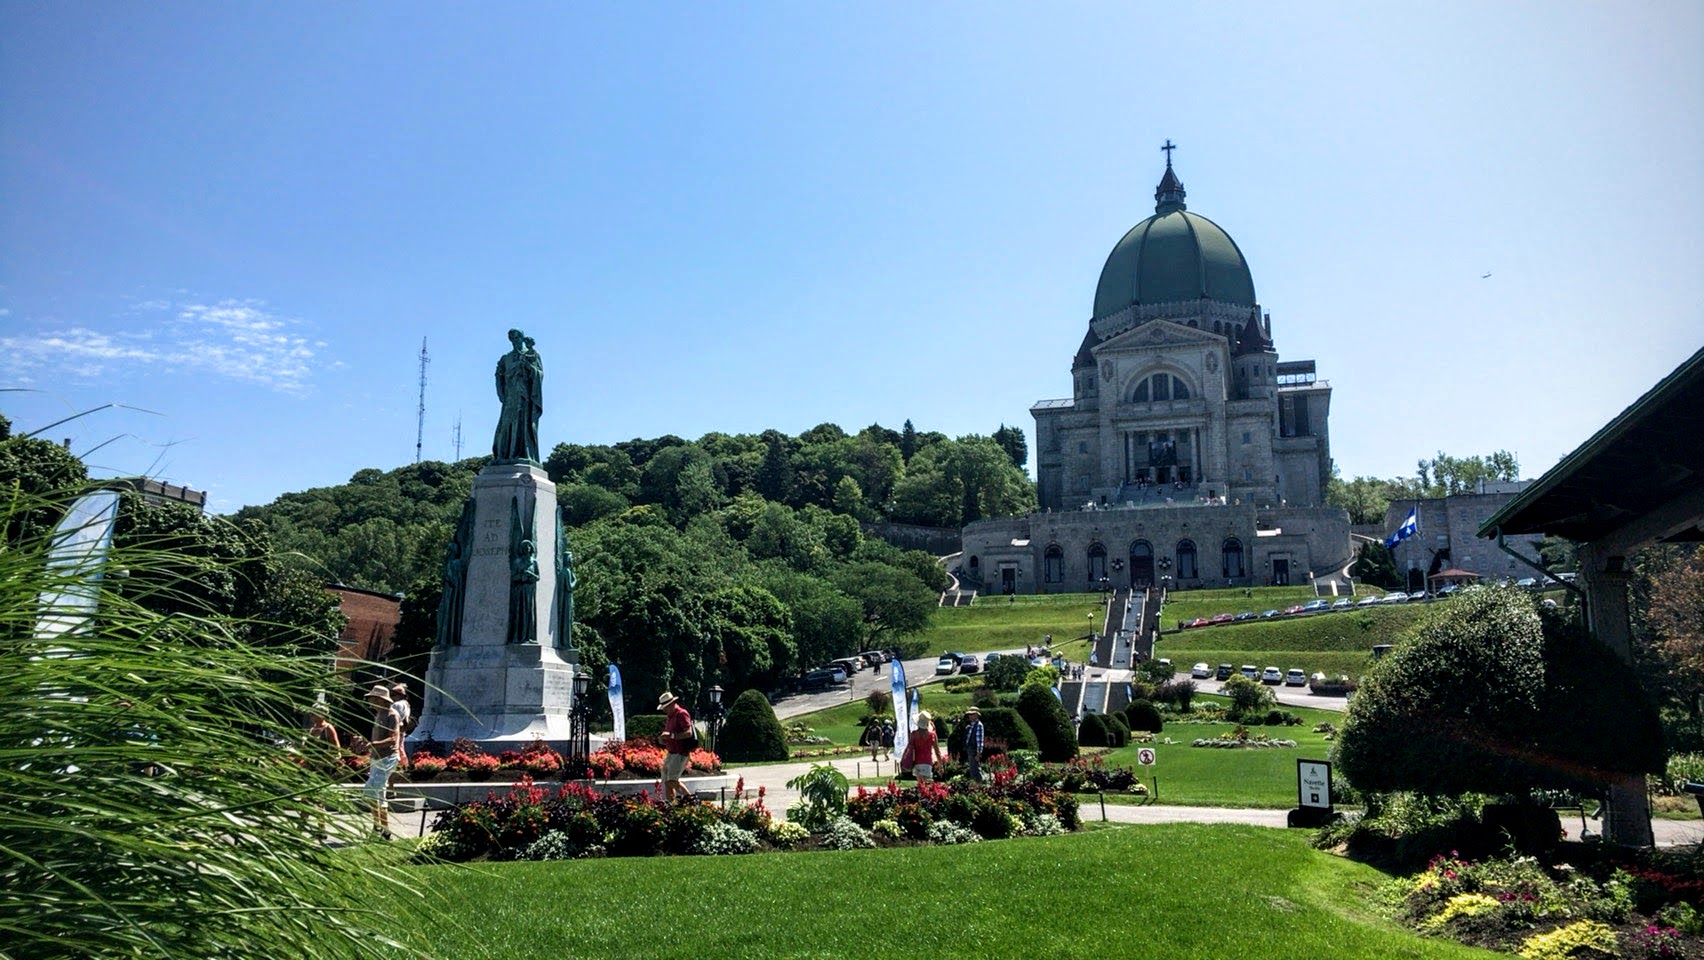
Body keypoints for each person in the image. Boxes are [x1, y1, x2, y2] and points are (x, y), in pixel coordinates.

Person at [362, 684, 401, 840]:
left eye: (373, 698)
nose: (371, 701)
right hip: (377, 758)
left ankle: (377, 827)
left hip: (388, 758)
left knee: (370, 791)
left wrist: (374, 745)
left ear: (381, 700)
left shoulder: (392, 715)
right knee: (378, 795)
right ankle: (384, 831)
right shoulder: (379, 714)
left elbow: (393, 739)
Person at [657, 691, 695, 803]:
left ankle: (690, 799)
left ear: (671, 704)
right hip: (671, 752)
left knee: (671, 781)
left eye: (665, 707)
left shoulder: (681, 714)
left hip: (680, 753)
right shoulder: (670, 717)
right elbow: (670, 735)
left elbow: (689, 733)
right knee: (666, 781)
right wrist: (664, 739)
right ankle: (672, 805)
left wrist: (671, 736)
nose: (664, 710)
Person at [907, 711, 944, 785]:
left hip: (916, 762)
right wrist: (940, 766)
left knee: (920, 785)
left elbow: (909, 749)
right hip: (927, 762)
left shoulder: (914, 734)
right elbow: (937, 752)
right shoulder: (932, 735)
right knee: (927, 784)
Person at [388, 682, 411, 770]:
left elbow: (393, 717)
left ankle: (399, 766)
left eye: (393, 695)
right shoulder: (406, 704)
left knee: (396, 748)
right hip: (402, 729)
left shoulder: (396, 705)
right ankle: (404, 765)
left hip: (396, 728)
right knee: (401, 746)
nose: (391, 697)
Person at [962, 706, 985, 781]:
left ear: (976, 715)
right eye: (969, 714)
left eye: (971, 714)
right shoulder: (971, 725)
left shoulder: (978, 725)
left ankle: (980, 784)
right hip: (970, 750)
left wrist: (978, 754)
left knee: (976, 769)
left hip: (974, 751)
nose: (969, 716)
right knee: (972, 769)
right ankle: (976, 784)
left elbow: (979, 741)